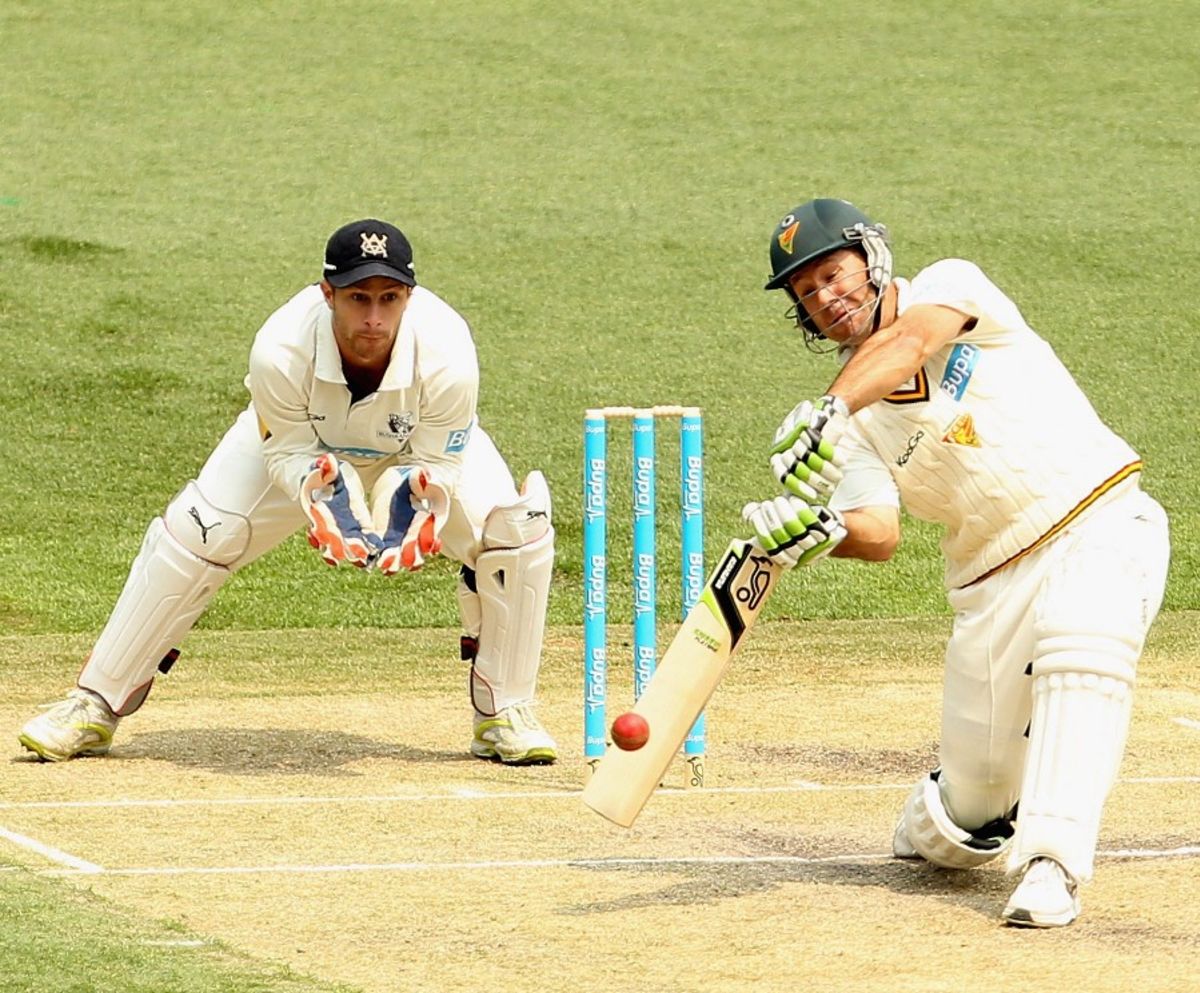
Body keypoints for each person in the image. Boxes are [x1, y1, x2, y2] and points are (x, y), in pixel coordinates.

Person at [741, 198, 1170, 927]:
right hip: (990, 585)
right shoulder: (848, 426)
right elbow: (878, 533)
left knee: (1084, 634)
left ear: (872, 259)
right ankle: (941, 810)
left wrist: (832, 408)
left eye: (833, 275)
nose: (826, 298)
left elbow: (910, 342)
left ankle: (1051, 865)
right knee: (971, 811)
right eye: (806, 293)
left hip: (1101, 517)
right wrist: (817, 529)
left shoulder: (949, 285)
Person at [19, 219, 558, 766]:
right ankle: (93, 704)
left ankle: (504, 713)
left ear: (408, 297)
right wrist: (318, 489)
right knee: (201, 532)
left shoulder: (448, 351)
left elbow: (439, 459)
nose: (373, 318)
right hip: (300, 450)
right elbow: (283, 450)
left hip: (410, 451)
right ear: (328, 294)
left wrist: (415, 502)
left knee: (516, 531)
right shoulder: (281, 346)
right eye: (357, 298)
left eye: (389, 298)